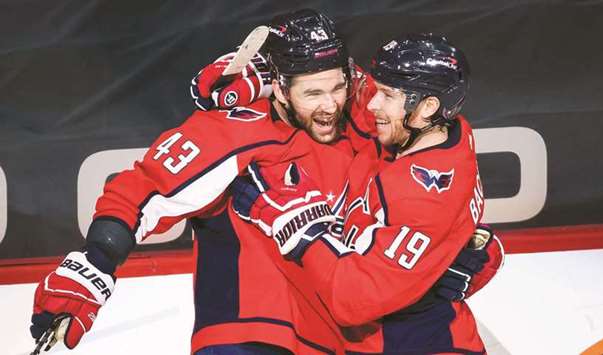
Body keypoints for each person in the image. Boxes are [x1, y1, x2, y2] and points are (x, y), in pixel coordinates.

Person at [29, 9, 500, 355]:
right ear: (279, 85)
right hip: (252, 330)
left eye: (337, 85)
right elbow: (143, 189)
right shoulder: (231, 130)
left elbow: (410, 125)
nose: (331, 103)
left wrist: (446, 245)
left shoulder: (364, 116)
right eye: (312, 91)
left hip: (341, 332)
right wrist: (91, 268)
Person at [231, 33, 501, 354]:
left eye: (386, 95)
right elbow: (344, 79)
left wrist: (301, 224)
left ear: (428, 106)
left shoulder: (421, 197)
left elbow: (352, 301)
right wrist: (249, 78)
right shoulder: (437, 129)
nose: (372, 103)